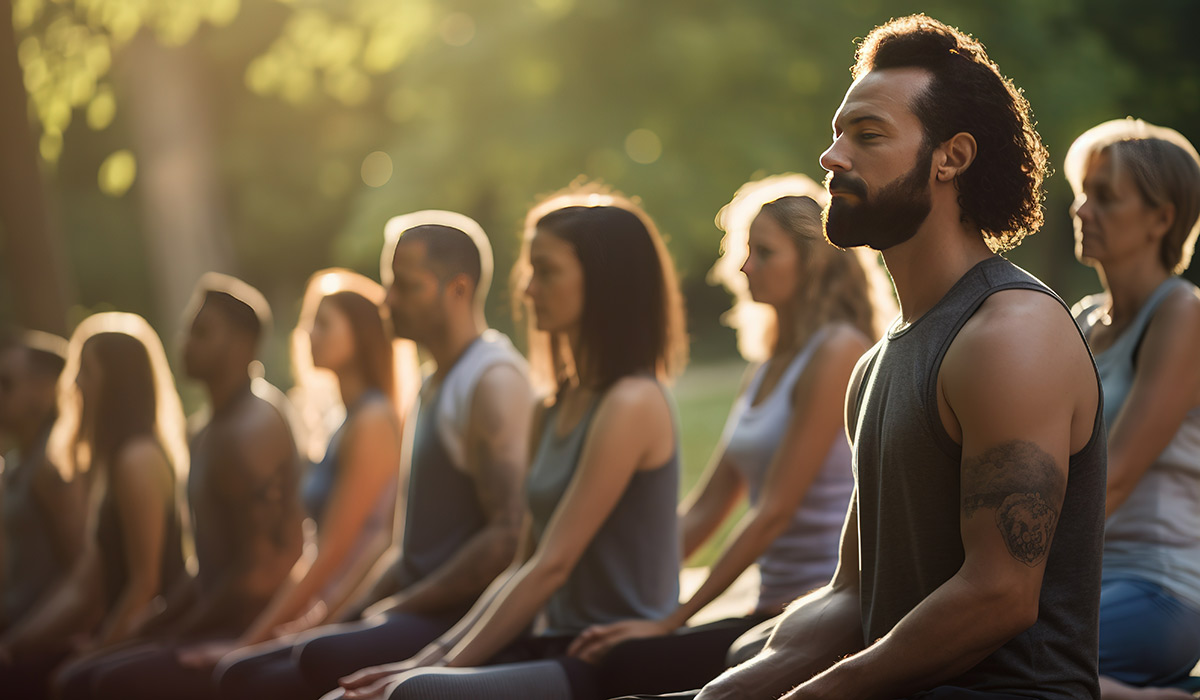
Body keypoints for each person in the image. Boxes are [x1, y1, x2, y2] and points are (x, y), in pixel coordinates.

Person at [632, 15, 1105, 700]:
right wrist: (724, 692)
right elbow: (851, 597)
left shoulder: (1010, 334)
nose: (831, 157)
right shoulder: (877, 363)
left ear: (952, 158)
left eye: (868, 136)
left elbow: (1000, 595)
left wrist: (812, 696)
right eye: (836, 134)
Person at [328, 185, 688, 700]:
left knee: (413, 695)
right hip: (548, 644)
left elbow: (551, 565)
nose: (526, 289)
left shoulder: (632, 403)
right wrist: (425, 659)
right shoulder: (551, 407)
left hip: (609, 661)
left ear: (603, 282)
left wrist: (434, 671)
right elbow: (522, 562)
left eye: (546, 271)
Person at [567, 174, 891, 697]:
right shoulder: (766, 366)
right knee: (610, 646)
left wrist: (671, 620)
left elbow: (772, 513)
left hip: (815, 609)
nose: (744, 267)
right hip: (769, 599)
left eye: (763, 253)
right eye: (746, 251)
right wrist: (613, 587)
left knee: (627, 665)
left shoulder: (837, 350)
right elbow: (707, 508)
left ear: (814, 260)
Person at [214, 211, 532, 700]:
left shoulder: (492, 381)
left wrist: (395, 607)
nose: (387, 300)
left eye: (405, 286)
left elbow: (507, 538)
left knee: (310, 659)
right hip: (415, 610)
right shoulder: (431, 385)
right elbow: (401, 545)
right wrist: (342, 614)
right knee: (239, 673)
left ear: (459, 290)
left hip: (461, 618)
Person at [51, 275, 307, 700]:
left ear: (242, 346)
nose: (185, 341)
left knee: (95, 682)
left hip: (252, 631)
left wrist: (187, 630)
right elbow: (210, 566)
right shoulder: (205, 431)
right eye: (189, 329)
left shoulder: (254, 425)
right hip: (211, 624)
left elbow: (270, 566)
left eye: (202, 332)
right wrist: (155, 623)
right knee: (78, 674)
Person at [179, 269, 417, 676]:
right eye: (308, 322)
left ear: (359, 335)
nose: (307, 333)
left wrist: (253, 643)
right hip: (323, 611)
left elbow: (338, 552)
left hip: (355, 610)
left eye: (322, 323)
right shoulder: (342, 421)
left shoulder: (372, 421)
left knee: (238, 677)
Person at [1064, 119, 1200, 700]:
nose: (1081, 209)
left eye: (1105, 197)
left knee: (990, 661)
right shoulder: (1082, 319)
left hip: (1159, 589)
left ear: (1161, 218)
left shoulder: (1182, 313)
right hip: (1081, 582)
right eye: (1082, 191)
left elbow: (1110, 481)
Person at [0, 313, 189, 700]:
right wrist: (14, 644)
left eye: (85, 370)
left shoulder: (137, 459)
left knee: (67, 682)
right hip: (131, 632)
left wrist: (95, 650)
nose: (73, 383)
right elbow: (85, 582)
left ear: (115, 382)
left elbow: (146, 585)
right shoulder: (112, 461)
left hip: (164, 632)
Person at [0, 331, 81, 635]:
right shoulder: (16, 465)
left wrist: (18, 644)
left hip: (43, 637)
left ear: (46, 390)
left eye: (7, 383)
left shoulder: (53, 468)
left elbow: (79, 571)